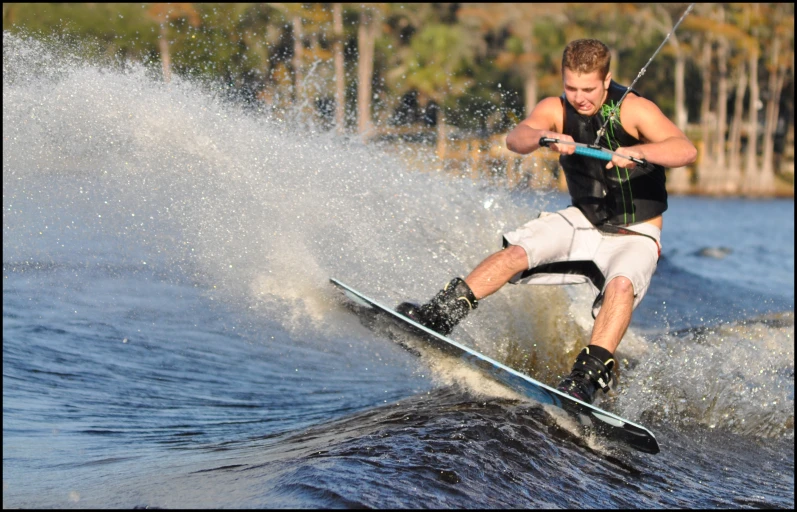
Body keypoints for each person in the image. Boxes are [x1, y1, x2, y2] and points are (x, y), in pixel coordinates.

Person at [397, 39, 697, 404]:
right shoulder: (555, 108)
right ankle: (439, 315)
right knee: (517, 251)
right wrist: (544, 136)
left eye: (588, 89)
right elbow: (516, 138)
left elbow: (684, 149)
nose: (579, 97)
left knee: (620, 288)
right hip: (582, 220)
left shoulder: (634, 109)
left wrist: (638, 151)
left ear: (606, 81)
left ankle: (586, 380)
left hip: (636, 233)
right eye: (571, 87)